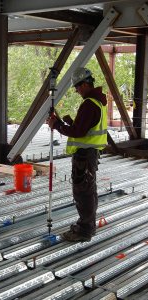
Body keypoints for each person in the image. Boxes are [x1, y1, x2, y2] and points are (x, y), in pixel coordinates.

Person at [47, 67, 107, 242]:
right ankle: (89, 226)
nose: (77, 90)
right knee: (89, 191)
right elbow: (86, 128)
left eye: (78, 87)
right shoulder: (98, 102)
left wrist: (56, 125)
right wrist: (69, 122)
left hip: (84, 156)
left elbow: (78, 132)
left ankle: (84, 230)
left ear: (86, 84)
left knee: (82, 192)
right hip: (91, 154)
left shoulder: (89, 103)